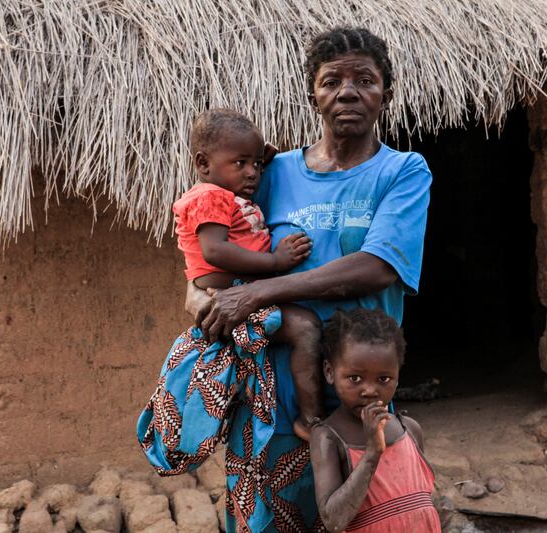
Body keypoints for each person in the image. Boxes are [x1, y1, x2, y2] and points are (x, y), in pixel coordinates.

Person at [187, 27, 433, 532]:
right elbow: (211, 255)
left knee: (363, 518)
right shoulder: (271, 174)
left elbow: (377, 266)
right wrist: (202, 296)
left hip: (353, 404)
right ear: (312, 94)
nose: (348, 91)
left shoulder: (404, 172)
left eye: (364, 79)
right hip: (267, 400)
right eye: (332, 80)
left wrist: (259, 291)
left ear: (386, 92)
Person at [136, 110, 324, 486]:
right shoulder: (208, 197)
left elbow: (247, 167)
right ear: (203, 164)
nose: (253, 172)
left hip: (241, 292)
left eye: (256, 163)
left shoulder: (228, 193)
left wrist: (255, 158)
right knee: (305, 329)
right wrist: (275, 261)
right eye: (241, 163)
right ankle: (312, 419)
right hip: (228, 294)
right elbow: (216, 252)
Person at [310, 308, 441, 532]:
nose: (370, 390)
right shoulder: (328, 437)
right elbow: (333, 520)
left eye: (384, 379)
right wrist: (372, 454)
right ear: (330, 372)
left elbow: (424, 501)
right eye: (355, 378)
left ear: (398, 377)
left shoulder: (409, 429)